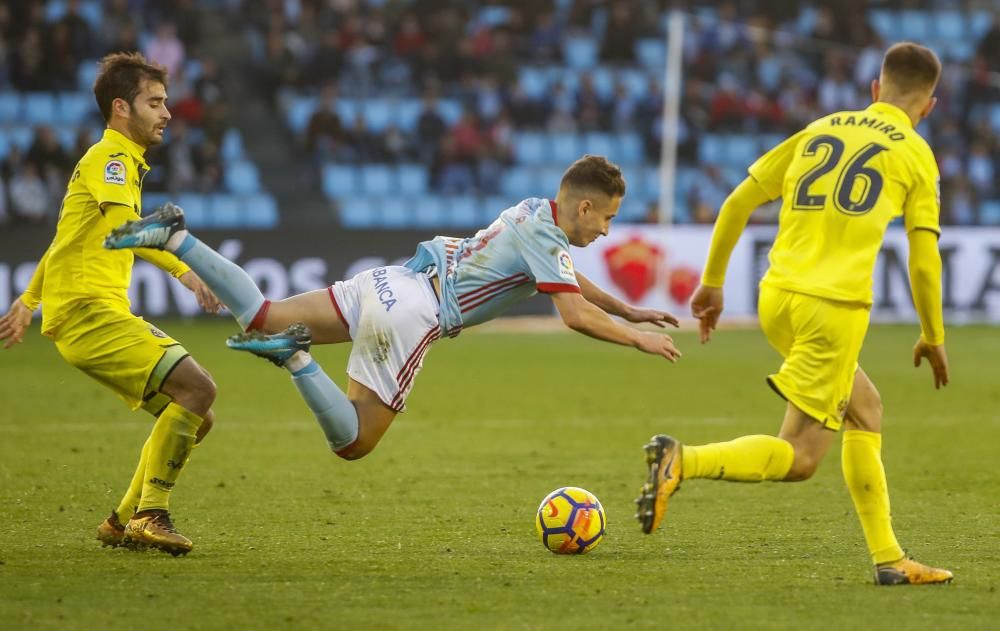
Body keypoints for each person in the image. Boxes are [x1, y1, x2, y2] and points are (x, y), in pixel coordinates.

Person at [105, 155, 682, 460]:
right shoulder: (549, 240)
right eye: (606, 217)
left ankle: (177, 239)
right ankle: (297, 361)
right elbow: (574, 313)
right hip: (413, 313)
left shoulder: (535, 210)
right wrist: (640, 340)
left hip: (390, 279)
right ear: (583, 207)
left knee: (262, 314)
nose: (607, 230)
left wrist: (629, 311)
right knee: (355, 442)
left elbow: (564, 279)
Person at [634, 42, 953, 586]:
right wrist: (932, 334)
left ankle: (890, 560)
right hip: (832, 310)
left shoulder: (821, 128)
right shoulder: (917, 154)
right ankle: (682, 459)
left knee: (865, 408)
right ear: (930, 105)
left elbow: (737, 201)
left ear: (874, 90)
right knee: (801, 457)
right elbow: (923, 261)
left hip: (776, 298)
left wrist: (712, 283)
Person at [0, 52, 221, 556]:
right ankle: (150, 513)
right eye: (156, 102)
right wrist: (187, 274)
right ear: (122, 107)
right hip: (88, 313)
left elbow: (66, 238)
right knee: (199, 388)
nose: (167, 113)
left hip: (89, 314)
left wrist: (28, 299)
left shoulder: (115, 165)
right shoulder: (112, 161)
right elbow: (133, 233)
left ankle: (122, 521)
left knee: (196, 415)